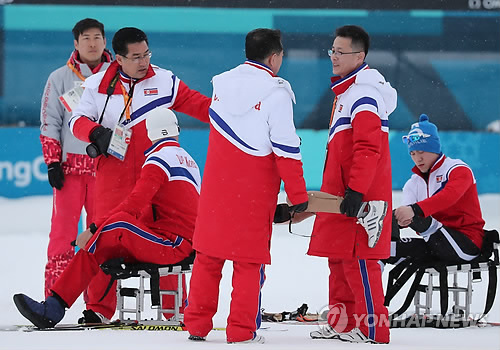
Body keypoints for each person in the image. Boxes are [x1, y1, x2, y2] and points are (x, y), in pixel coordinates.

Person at [68, 27, 211, 323]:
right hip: (112, 179)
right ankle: (98, 309)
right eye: (136, 57)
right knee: (104, 235)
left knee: (164, 234)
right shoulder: (97, 86)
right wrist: (95, 132)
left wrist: (237, 116)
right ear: (119, 58)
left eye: (146, 54)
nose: (144, 61)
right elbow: (75, 120)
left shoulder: (165, 80)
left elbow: (203, 107)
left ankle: (172, 311)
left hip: (154, 177)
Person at [13, 108, 200, 329]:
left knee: (116, 224)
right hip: (179, 243)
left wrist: (94, 228)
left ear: (150, 134)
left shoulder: (158, 160)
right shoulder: (189, 161)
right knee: (102, 243)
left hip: (170, 244)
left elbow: (135, 203)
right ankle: (55, 305)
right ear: (176, 131)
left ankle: (57, 307)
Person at [183, 28, 308, 344]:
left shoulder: (222, 84)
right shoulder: (277, 94)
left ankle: (196, 325)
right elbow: (286, 150)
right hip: (253, 192)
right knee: (249, 264)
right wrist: (297, 196)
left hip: (216, 187)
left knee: (208, 258)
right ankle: (241, 331)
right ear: (274, 56)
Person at [307, 25, 397, 344]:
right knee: (339, 259)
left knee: (361, 262)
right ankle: (343, 323)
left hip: (360, 198)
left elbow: (368, 148)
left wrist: (357, 189)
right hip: (340, 195)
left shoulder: (365, 93)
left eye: (340, 52)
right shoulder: (346, 93)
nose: (333, 56)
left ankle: (372, 328)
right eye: (332, 50)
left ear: (359, 57)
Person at [40, 18, 113, 298]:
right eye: (86, 38)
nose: (92, 44)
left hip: (105, 169)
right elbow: (50, 122)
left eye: (97, 38)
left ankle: (99, 304)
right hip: (69, 170)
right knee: (62, 238)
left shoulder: (118, 76)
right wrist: (53, 162)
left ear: (105, 42)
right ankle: (54, 300)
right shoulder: (59, 78)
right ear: (76, 43)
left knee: (101, 238)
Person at [389, 114, 484, 264]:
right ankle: (368, 287)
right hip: (434, 244)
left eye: (421, 152)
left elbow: (449, 196)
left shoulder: (458, 169)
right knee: (384, 249)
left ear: (434, 149)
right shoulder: (412, 184)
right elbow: (410, 217)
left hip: (467, 243)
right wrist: (398, 220)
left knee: (421, 219)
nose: (417, 158)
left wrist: (413, 210)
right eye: (412, 153)